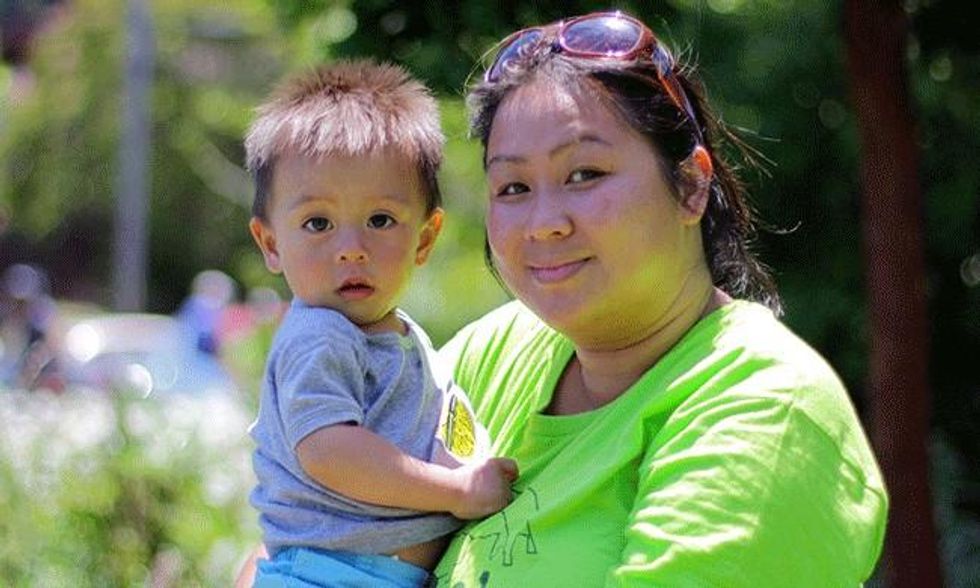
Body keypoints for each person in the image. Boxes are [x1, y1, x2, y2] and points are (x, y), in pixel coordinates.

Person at [427, 10, 888, 587]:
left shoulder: (765, 406)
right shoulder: (493, 354)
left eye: (584, 174)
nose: (543, 223)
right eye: (513, 187)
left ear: (692, 185)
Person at [244, 59, 518, 588]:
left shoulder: (394, 334)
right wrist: (458, 491)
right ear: (271, 243)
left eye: (380, 220)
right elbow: (330, 452)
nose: (351, 249)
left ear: (424, 238)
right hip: (328, 576)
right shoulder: (320, 335)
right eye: (318, 223)